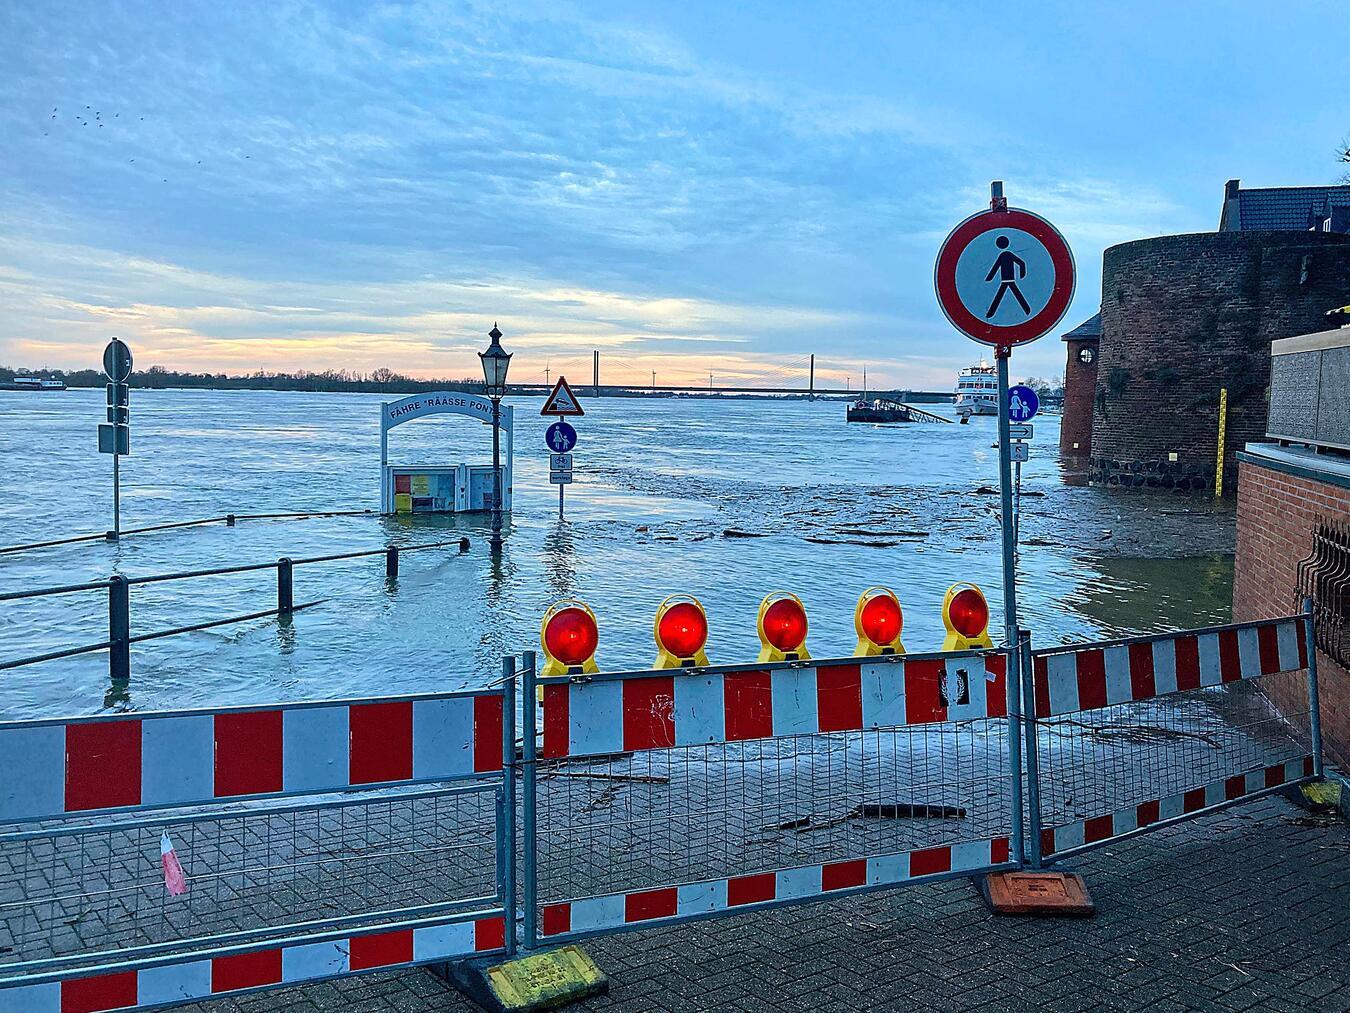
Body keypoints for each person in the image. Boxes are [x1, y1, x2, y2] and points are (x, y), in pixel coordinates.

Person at [985, 236, 1031, 318]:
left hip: (1007, 280)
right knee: (1011, 294)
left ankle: (990, 313)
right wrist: (1022, 274)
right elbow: (1021, 263)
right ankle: (1027, 310)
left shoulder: (1005, 255)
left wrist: (989, 278)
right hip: (1007, 280)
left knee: (1001, 296)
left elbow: (996, 267)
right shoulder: (1007, 255)